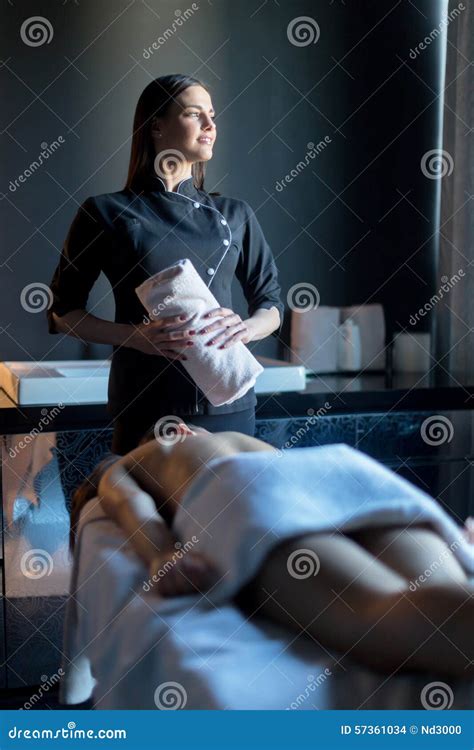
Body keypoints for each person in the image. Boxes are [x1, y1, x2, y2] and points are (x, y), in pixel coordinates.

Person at [70, 424, 474, 678]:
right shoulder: (233, 441)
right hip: (337, 472)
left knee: (377, 612)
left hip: (244, 492)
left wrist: (162, 554)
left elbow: (128, 505)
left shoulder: (132, 462)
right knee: (447, 587)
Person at [46, 74, 284, 454]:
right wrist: (135, 337)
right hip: (145, 401)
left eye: (212, 115)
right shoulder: (106, 212)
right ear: (156, 125)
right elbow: (62, 313)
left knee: (225, 511)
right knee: (147, 512)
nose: (210, 126)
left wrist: (246, 328)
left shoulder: (235, 214)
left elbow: (271, 303)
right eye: (194, 114)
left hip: (227, 403)